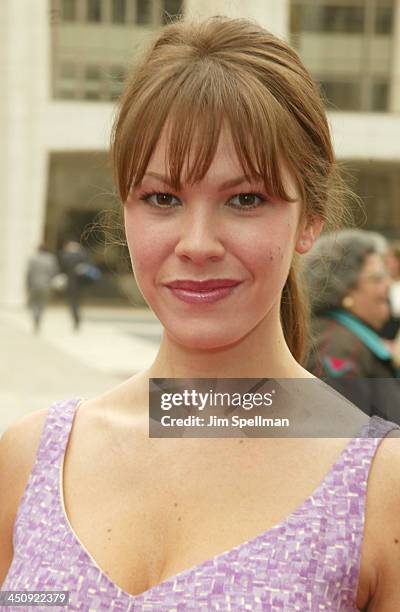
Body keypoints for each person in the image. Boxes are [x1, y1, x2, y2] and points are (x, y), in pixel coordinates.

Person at [1, 16, 400, 611]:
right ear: (127, 211)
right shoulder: (29, 461)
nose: (197, 242)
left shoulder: (380, 488)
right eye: (163, 198)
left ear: (310, 217)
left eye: (245, 199)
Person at [304, 229, 400, 421]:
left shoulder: (347, 338)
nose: (388, 284)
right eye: (377, 278)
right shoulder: (336, 347)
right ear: (345, 290)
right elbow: (337, 432)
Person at [25, 243, 59, 332]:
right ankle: (39, 317)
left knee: (34, 303)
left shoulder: (33, 259)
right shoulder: (51, 259)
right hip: (46, 285)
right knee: (42, 304)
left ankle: (35, 317)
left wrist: (27, 286)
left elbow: (28, 274)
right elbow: (54, 272)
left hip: (34, 285)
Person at [58, 238, 91, 330]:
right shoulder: (82, 254)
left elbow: (62, 265)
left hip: (72, 283)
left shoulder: (66, 255)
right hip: (81, 283)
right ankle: (77, 318)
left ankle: (76, 318)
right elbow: (88, 262)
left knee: (73, 302)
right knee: (77, 302)